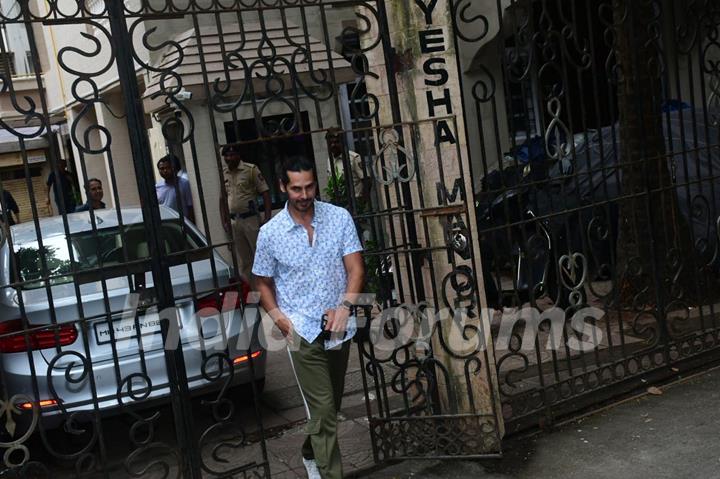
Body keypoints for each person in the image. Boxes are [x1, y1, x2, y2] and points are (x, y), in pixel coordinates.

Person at [253, 156, 364, 479]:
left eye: (310, 186)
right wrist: (279, 319)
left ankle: (309, 452)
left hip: (337, 327)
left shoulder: (339, 218)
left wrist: (344, 307)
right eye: (297, 188)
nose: (304, 195)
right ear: (283, 187)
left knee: (331, 407)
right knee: (325, 410)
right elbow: (261, 282)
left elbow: (356, 268)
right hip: (299, 328)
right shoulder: (270, 233)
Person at [219, 144, 272, 282]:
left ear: (238, 155)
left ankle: (269, 291)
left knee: (260, 257)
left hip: (251, 220)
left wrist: (267, 217)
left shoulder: (250, 170)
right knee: (246, 261)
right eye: (226, 156)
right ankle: (256, 296)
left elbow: (265, 192)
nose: (229, 158)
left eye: (232, 155)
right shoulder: (224, 174)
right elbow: (222, 199)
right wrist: (224, 221)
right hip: (235, 222)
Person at [326, 127, 370, 207]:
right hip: (339, 204)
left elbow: (367, 180)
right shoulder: (330, 160)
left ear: (342, 142)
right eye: (330, 143)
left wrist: (362, 203)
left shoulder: (353, 158)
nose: (333, 145)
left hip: (355, 202)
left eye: (336, 142)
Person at [156, 154, 194, 223]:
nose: (165, 170)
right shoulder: (157, 187)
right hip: (166, 224)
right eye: (162, 168)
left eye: (168, 168)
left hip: (182, 223)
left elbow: (190, 207)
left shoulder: (184, 183)